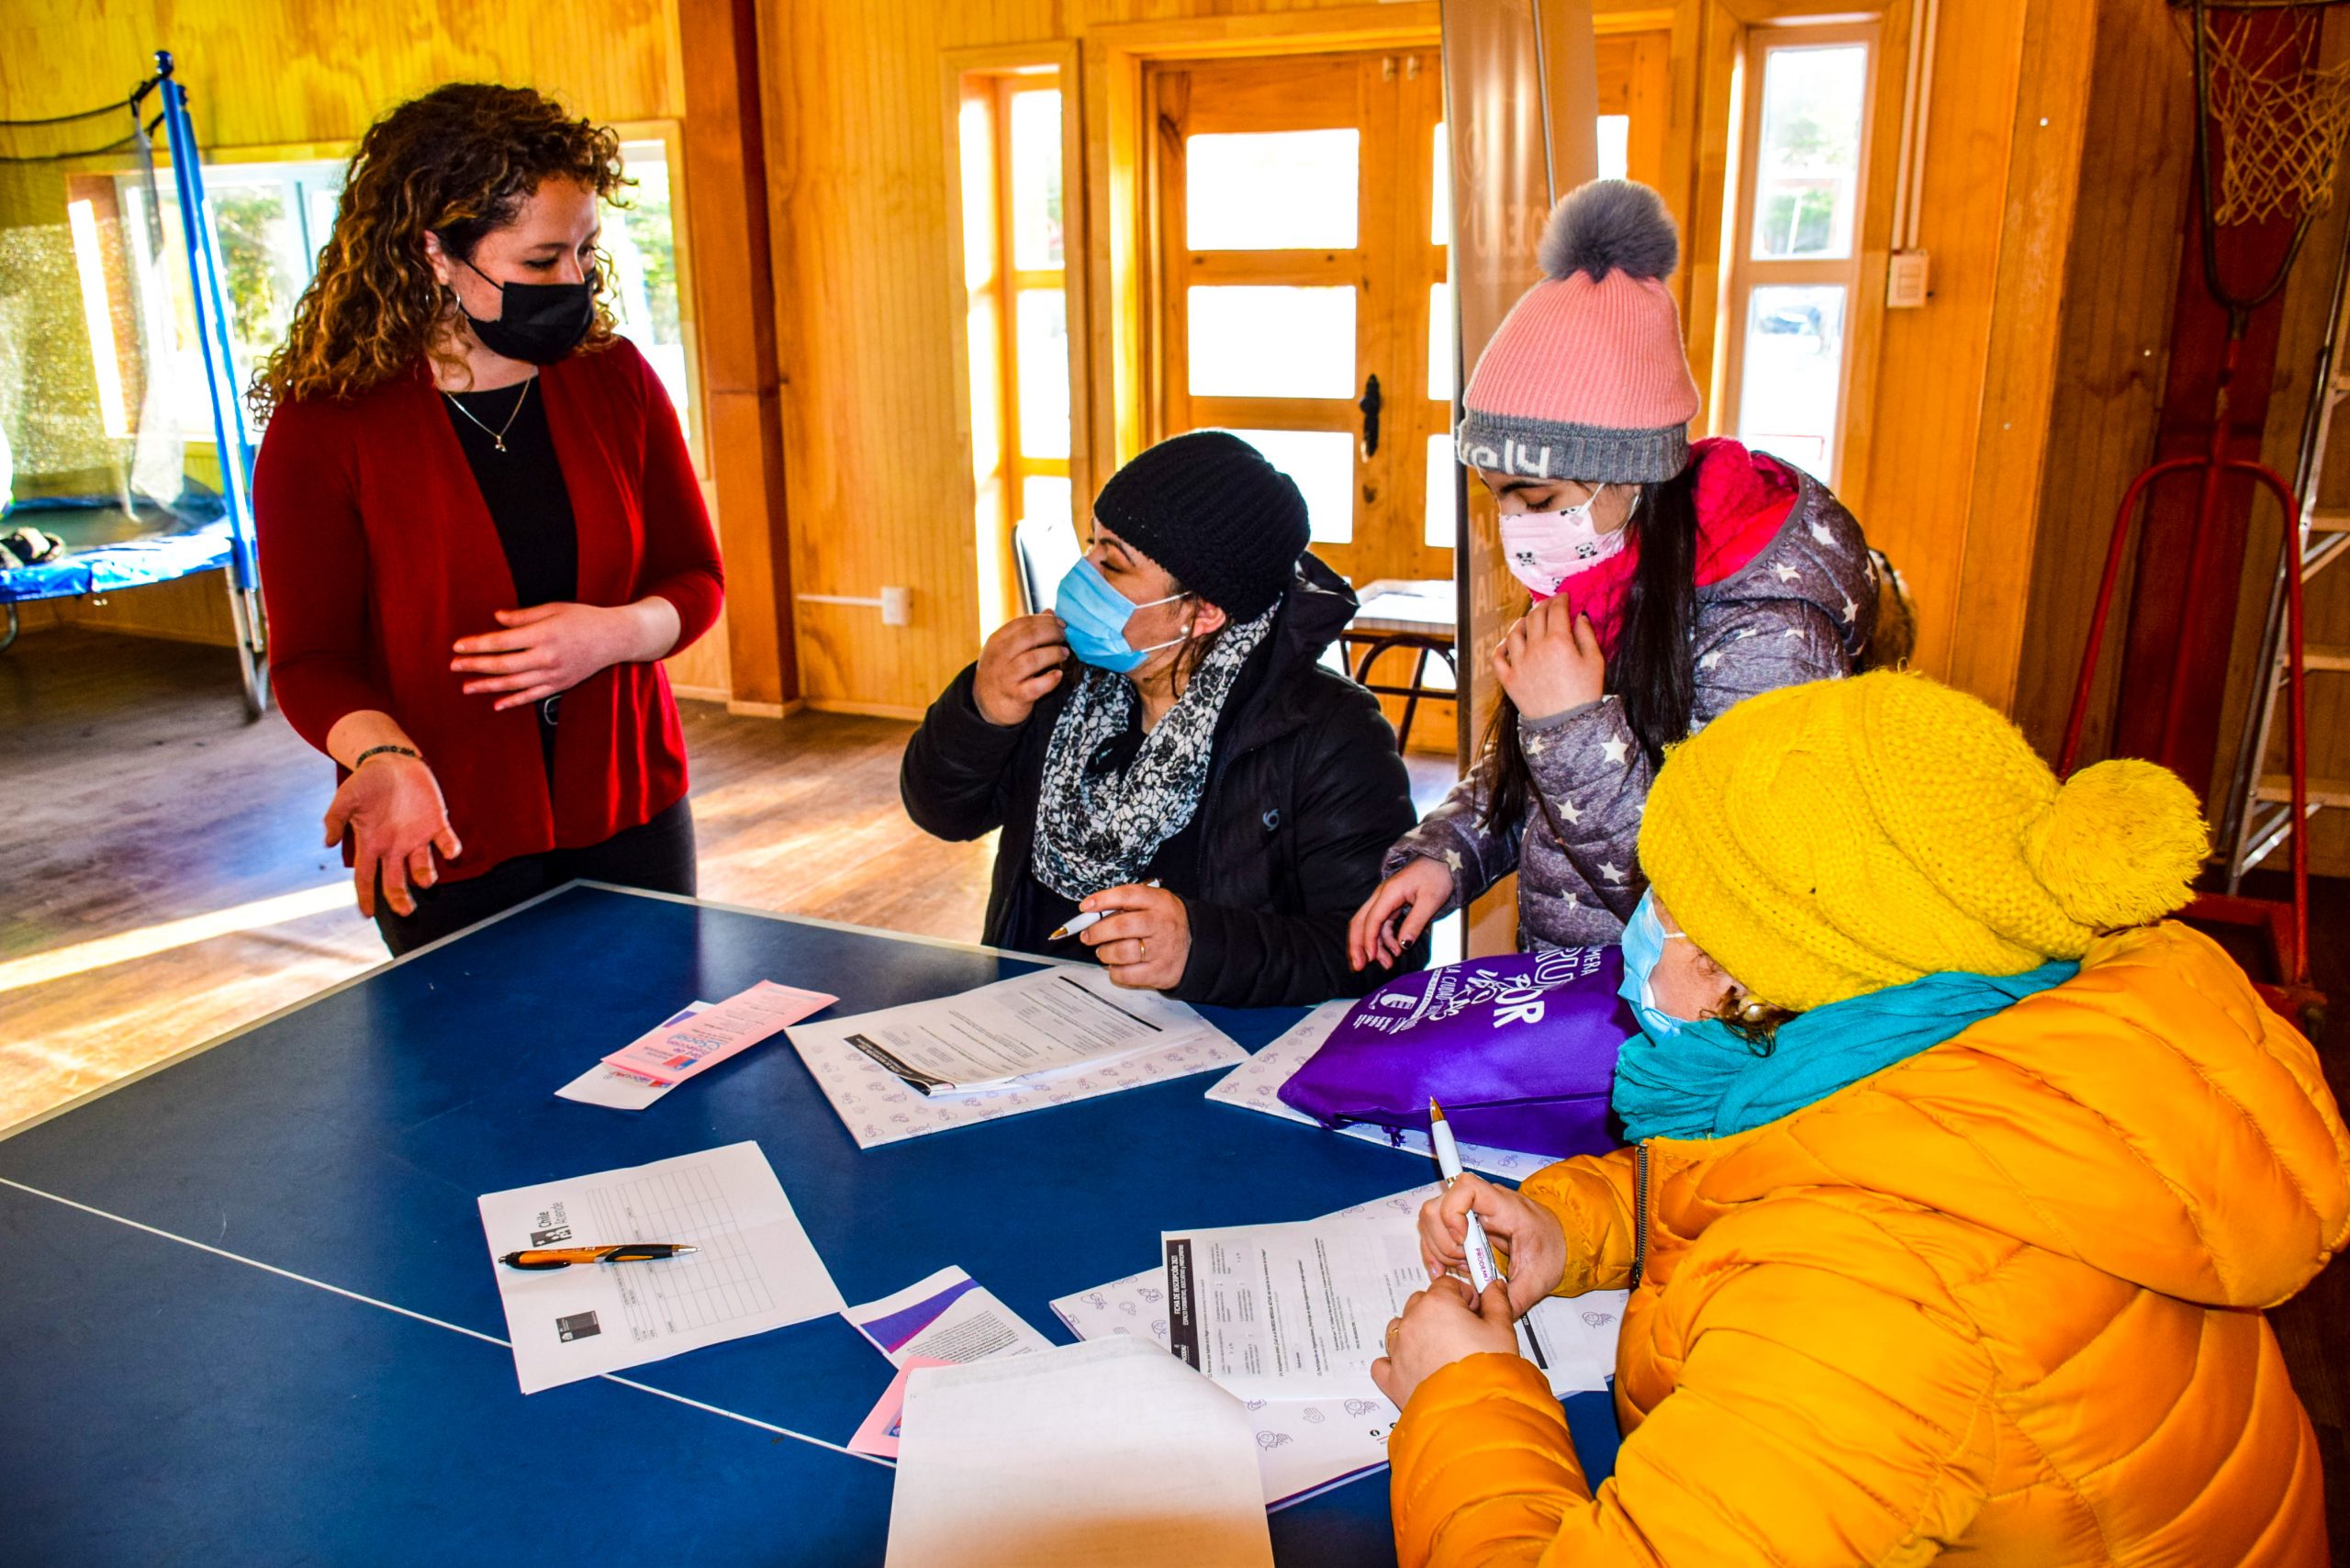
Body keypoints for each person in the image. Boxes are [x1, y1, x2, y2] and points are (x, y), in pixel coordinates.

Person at [1373, 670, 2350, 1566]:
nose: (1638, 937)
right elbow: (1792, 1168)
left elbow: (1849, 1272)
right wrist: (1573, 1225)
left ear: (1738, 982)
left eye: (1662, 909)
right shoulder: (1982, 1047)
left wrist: (1460, 1393)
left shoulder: (1873, 1302)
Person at [1348, 180, 1891, 972]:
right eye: (1499, 501)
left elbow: (1713, 896)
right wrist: (1448, 853)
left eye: (1538, 499)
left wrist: (1569, 723)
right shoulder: (1603, 558)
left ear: (1631, 476)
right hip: (1577, 1002)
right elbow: (1533, 776)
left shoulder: (1774, 629)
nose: (1518, 528)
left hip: (1681, 1035)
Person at [252, 84, 722, 956]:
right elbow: (314, 662)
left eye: (584, 251)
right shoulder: (327, 423)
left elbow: (698, 580)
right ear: (435, 250)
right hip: (441, 830)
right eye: (542, 261)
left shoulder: (614, 378)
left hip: (633, 811)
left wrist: (615, 634)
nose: (574, 281)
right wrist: (383, 761)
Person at [901, 430, 1427, 1008]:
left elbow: (1383, 948)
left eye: (1113, 563)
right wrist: (983, 710)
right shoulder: (1059, 679)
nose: (1083, 574)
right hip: (1026, 1019)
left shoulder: (1328, 732)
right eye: (1091, 545)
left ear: (1203, 612)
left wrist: (1200, 950)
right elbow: (943, 813)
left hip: (1207, 1047)